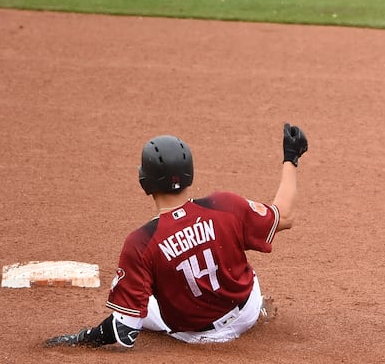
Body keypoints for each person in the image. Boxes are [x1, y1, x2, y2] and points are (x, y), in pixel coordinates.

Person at [45, 123, 308, 348]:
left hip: (197, 335)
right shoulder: (225, 205)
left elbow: (123, 330)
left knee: (136, 299)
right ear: (189, 174)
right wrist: (291, 157)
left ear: (144, 182)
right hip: (246, 312)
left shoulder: (141, 242)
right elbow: (284, 216)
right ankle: (256, 310)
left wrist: (80, 338)